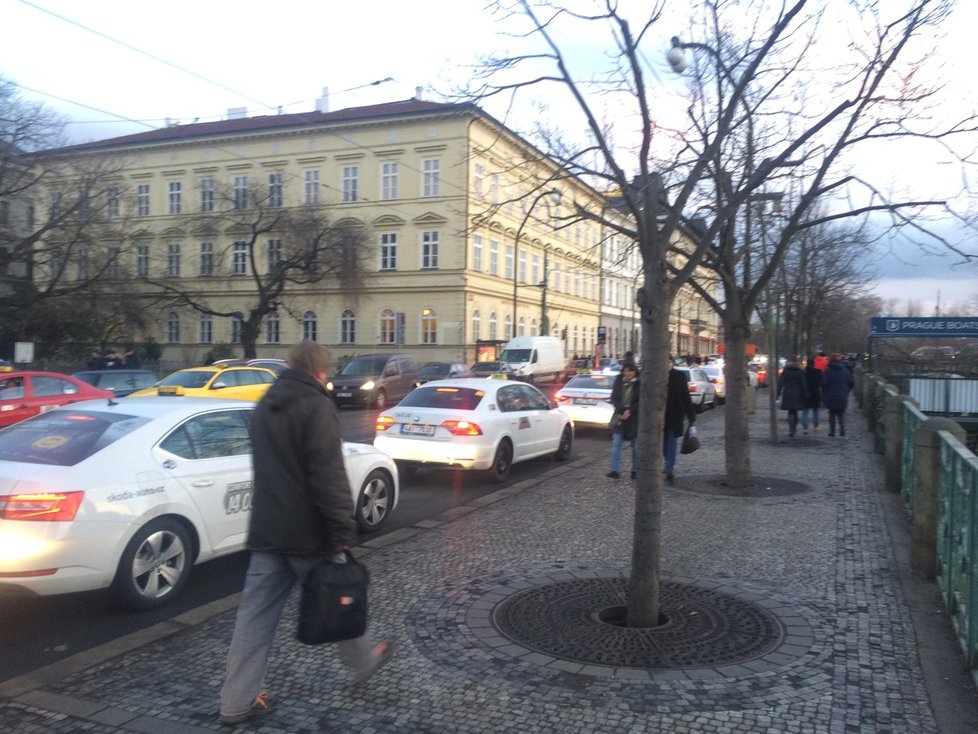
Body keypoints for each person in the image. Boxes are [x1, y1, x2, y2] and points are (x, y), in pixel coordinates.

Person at [219, 341, 393, 726]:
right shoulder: (316, 406)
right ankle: (365, 660)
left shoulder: (266, 405)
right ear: (320, 371)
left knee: (254, 619)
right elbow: (327, 474)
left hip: (267, 528)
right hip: (308, 531)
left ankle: (235, 702)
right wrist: (342, 528)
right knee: (340, 594)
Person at [664, 354, 696, 481]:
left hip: (675, 416)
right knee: (663, 444)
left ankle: (669, 468)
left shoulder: (679, 376)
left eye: (669, 361)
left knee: (671, 442)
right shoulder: (655, 376)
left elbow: (685, 397)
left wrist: (691, 415)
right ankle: (668, 463)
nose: (667, 364)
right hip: (660, 418)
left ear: (672, 363)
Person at [608, 360, 640, 480]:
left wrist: (630, 411)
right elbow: (614, 397)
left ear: (634, 371)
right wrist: (621, 411)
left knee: (635, 446)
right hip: (620, 417)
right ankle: (615, 470)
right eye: (625, 371)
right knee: (616, 444)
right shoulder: (618, 381)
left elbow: (640, 400)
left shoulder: (639, 383)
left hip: (634, 418)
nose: (628, 373)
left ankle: (635, 470)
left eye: (630, 371)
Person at [822, 352, 854, 437]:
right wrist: (847, 391)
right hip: (842, 394)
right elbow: (850, 382)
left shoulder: (827, 370)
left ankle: (832, 431)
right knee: (840, 414)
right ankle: (842, 430)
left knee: (832, 413)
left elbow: (823, 382)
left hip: (831, 395)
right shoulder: (845, 370)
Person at [778, 355, 807, 437]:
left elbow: (781, 382)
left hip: (788, 392)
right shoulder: (801, 371)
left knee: (790, 411)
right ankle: (794, 427)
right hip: (798, 392)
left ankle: (791, 429)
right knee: (795, 410)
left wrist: (778, 392)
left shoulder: (786, 370)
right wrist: (805, 393)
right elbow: (803, 383)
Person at [801, 356, 822, 434]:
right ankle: (816, 427)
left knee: (805, 411)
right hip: (815, 393)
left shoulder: (803, 372)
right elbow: (821, 383)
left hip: (806, 394)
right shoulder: (818, 372)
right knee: (815, 411)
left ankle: (805, 428)